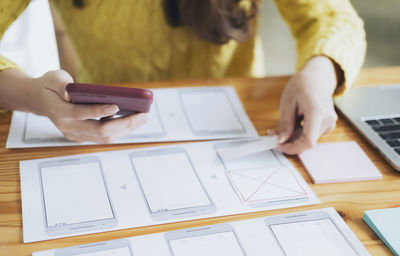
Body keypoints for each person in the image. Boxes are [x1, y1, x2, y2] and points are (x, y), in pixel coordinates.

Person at [0, 0, 366, 154]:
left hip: (246, 122)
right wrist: (30, 94)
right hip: (102, 133)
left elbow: (334, 16)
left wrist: (319, 72)